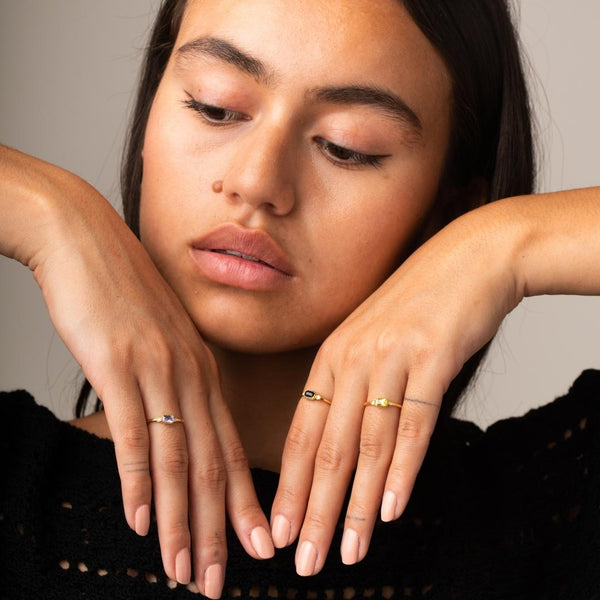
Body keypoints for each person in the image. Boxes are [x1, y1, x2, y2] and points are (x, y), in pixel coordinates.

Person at [1, 0, 599, 598]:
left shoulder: (541, 516)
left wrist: (501, 245)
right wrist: (50, 213)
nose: (258, 181)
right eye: (216, 107)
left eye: (346, 146)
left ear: (447, 207)